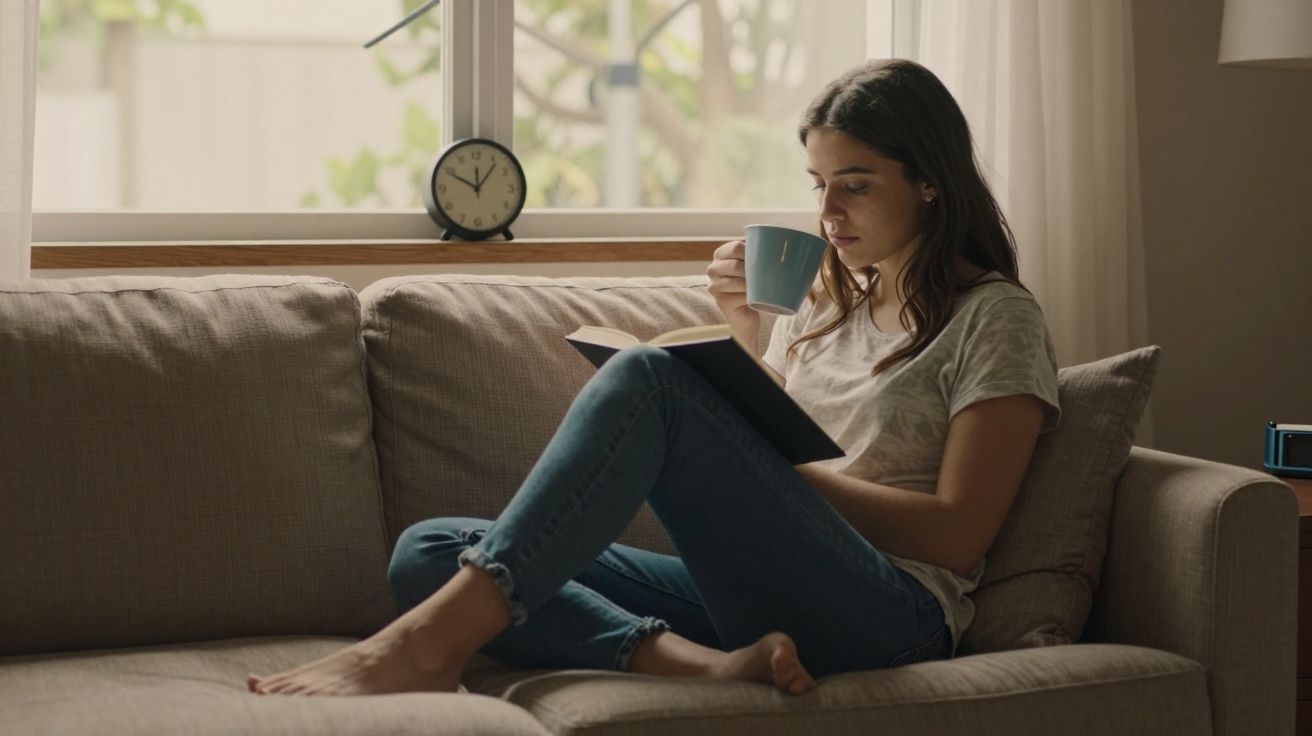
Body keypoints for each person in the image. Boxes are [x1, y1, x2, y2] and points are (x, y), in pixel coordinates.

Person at [246, 57, 1060, 698]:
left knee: (652, 378)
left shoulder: (995, 317)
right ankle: (700, 667)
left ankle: (425, 646)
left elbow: (960, 535)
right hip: (761, 594)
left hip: (891, 615)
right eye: (819, 186)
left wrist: (779, 468)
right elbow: (776, 455)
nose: (828, 213)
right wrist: (746, 338)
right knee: (432, 549)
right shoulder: (828, 306)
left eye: (855, 185)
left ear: (930, 182)